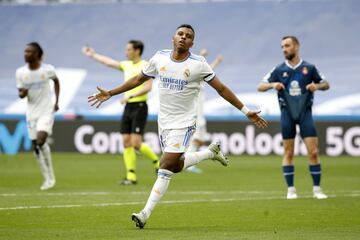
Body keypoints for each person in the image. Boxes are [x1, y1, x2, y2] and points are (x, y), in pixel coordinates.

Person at [88, 24, 268, 229]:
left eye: (188, 36)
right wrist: (111, 93)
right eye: (180, 34)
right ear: (173, 38)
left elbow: (222, 89)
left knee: (165, 166)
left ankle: (144, 213)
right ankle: (210, 153)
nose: (183, 37)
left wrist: (246, 111)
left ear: (192, 43)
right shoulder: (159, 58)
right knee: (175, 165)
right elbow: (138, 79)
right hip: (164, 122)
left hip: (185, 123)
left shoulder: (199, 64)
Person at [257, 36, 330, 199]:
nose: (284, 49)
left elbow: (326, 84)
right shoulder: (278, 69)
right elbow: (260, 86)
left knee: (313, 152)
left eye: (287, 45)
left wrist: (316, 86)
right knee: (288, 152)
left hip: (305, 114)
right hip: (287, 114)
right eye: (282, 46)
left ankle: (317, 189)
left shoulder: (309, 68)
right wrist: (272, 85)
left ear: (296, 47)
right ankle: (291, 190)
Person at [82, 40, 159, 185]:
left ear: (137, 50)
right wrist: (93, 55)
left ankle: (157, 162)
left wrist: (131, 96)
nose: (126, 52)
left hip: (140, 106)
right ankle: (131, 176)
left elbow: (148, 87)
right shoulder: (126, 65)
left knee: (136, 143)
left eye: (128, 49)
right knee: (126, 142)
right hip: (128, 107)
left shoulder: (146, 65)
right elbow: (109, 62)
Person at [16, 42, 60, 190]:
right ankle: (47, 178)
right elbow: (21, 93)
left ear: (38, 55)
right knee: (36, 146)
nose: (26, 54)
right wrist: (23, 93)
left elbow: (56, 81)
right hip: (31, 114)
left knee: (40, 140)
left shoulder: (48, 70)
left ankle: (51, 177)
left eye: (29, 52)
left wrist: (57, 102)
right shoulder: (20, 73)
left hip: (46, 111)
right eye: (25, 51)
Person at [186, 49, 224, 174]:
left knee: (200, 140)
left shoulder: (201, 78)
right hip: (195, 113)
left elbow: (208, 69)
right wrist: (202, 55)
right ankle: (188, 164)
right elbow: (198, 66)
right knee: (196, 138)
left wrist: (217, 62)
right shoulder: (193, 78)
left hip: (200, 113)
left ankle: (188, 160)